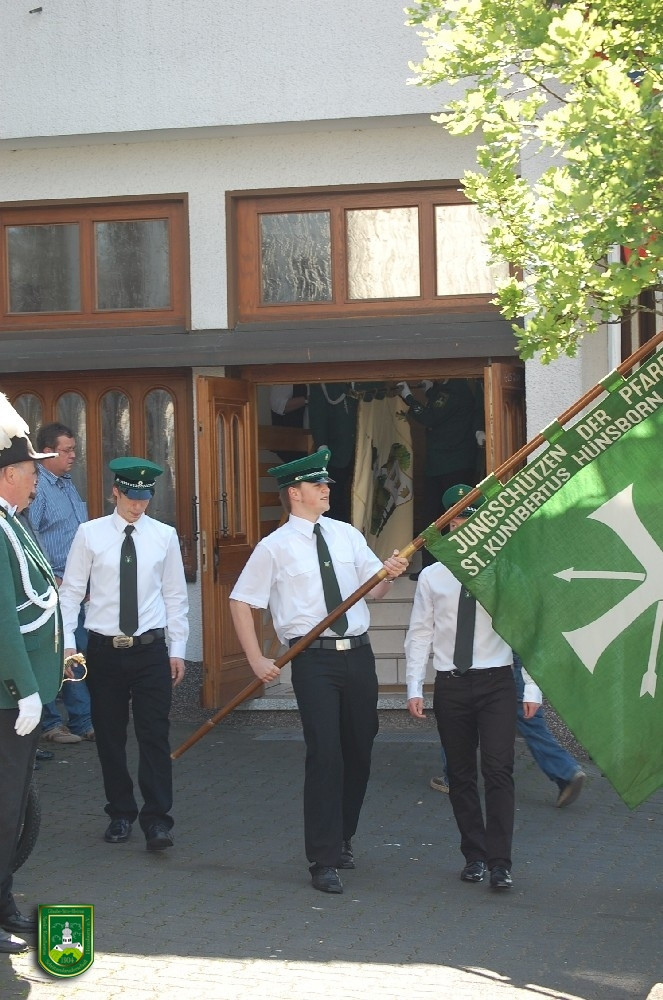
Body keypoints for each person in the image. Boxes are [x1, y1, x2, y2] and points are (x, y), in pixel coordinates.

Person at [230, 447, 408, 895]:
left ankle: (344, 835)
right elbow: (241, 601)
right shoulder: (274, 547)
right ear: (295, 493)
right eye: (318, 484)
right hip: (314, 660)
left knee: (359, 748)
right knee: (325, 753)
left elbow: (377, 592)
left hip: (359, 655)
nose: (327, 489)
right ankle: (322, 858)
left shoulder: (346, 534)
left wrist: (390, 573)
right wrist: (256, 659)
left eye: (326, 483)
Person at [405, 483, 542, 891]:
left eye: (473, 516)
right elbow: (420, 633)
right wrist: (414, 686)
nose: (466, 524)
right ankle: (475, 856)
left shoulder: (506, 570)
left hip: (496, 681)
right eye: (459, 517)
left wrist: (532, 687)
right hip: (451, 684)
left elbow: (527, 631)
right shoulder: (433, 576)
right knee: (460, 774)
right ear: (448, 524)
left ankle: (501, 862)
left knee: (498, 769)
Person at [59, 457, 189, 852]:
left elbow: (175, 596)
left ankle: (158, 820)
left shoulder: (164, 535)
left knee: (154, 734)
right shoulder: (90, 534)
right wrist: (68, 644)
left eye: (144, 498)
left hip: (150, 650)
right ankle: (120, 812)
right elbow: (71, 592)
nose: (138, 505)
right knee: (109, 735)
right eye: (131, 497)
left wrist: (178, 649)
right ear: (115, 492)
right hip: (104, 651)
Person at [0, 394, 63, 953]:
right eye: (31, 471)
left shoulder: (11, 523)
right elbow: (2, 619)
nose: (38, 481)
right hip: (7, 697)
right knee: (2, 808)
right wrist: (24, 690)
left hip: (20, 694)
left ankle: (3, 901)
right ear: (8, 475)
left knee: (13, 806)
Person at [429, 658, 586, 807]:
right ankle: (565, 770)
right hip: (517, 657)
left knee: (460, 713)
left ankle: (453, 777)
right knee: (530, 719)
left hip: (491, 662)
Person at [28, 421, 94, 744]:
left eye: (73, 449)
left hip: (76, 587)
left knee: (76, 651)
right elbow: (31, 533)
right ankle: (52, 724)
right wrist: (49, 576)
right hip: (51, 585)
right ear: (46, 452)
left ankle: (82, 721)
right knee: (54, 654)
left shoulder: (67, 484)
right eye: (66, 450)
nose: (73, 455)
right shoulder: (38, 487)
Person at [396, 379, 484, 574]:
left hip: (450, 465)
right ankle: (432, 569)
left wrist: (409, 397)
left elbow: (430, 417)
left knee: (446, 518)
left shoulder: (454, 390)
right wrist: (430, 392)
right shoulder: (446, 389)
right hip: (444, 464)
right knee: (436, 519)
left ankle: (444, 567)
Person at [512, 654, 586, 807]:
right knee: (532, 725)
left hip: (510, 662)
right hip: (520, 662)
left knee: (531, 723)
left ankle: (566, 771)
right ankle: (566, 771)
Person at [269, 384, 309, 463]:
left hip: (312, 443)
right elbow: (278, 404)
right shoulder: (286, 378)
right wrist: (307, 399)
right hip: (292, 446)